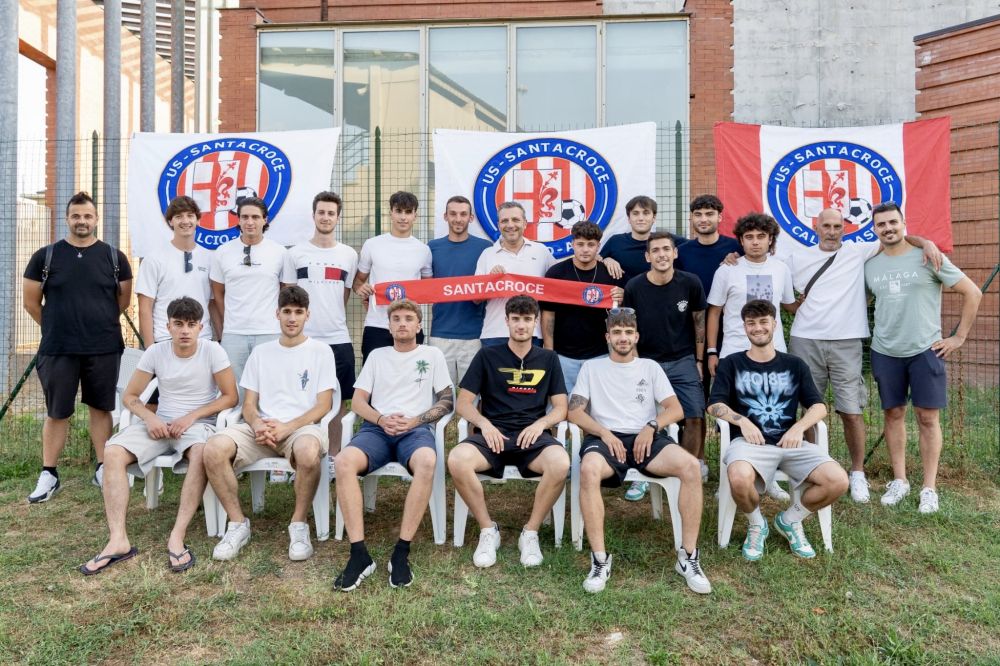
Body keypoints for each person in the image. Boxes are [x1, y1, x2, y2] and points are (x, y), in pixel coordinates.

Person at [782, 207, 941, 503]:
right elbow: (767, 269)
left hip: (847, 341)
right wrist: (732, 258)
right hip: (806, 339)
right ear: (816, 227)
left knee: (851, 411)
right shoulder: (796, 257)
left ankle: (857, 473)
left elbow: (896, 237)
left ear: (845, 229)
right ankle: (813, 469)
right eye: (826, 226)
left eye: (837, 226)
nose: (832, 232)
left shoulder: (857, 251)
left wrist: (926, 242)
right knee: (809, 410)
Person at [78, 297, 238, 574]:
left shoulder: (213, 351)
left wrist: (191, 417)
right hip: (159, 424)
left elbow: (230, 397)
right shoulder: (155, 352)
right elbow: (130, 396)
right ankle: (118, 540)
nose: (185, 331)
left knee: (201, 452)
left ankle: (177, 535)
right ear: (168, 326)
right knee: (112, 451)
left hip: (197, 425)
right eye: (179, 324)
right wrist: (150, 417)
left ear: (201, 327)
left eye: (191, 325)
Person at [568, 309, 711, 594]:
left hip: (646, 437)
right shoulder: (592, 368)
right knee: (589, 469)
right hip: (607, 438)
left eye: (628, 332)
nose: (623, 338)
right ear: (607, 337)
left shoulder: (650, 367)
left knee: (691, 467)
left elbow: (676, 409)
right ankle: (599, 560)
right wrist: (604, 432)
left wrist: (652, 425)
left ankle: (688, 557)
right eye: (617, 332)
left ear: (636, 337)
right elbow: (574, 412)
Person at [203, 286, 337, 561]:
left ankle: (298, 525)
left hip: (300, 429)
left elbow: (323, 405)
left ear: (307, 315)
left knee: (309, 453)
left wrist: (288, 427)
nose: (292, 318)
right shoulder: (261, 353)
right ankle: (237, 524)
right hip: (261, 430)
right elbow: (249, 404)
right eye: (287, 311)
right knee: (213, 448)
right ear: (277, 314)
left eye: (298, 312)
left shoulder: (321, 351)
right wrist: (256, 424)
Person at [708, 300, 848, 561]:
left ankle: (790, 519)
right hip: (749, 445)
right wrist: (742, 421)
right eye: (751, 323)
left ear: (774, 324)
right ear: (745, 327)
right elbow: (714, 405)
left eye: (763, 322)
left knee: (838, 481)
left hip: (790, 443)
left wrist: (799, 427)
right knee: (738, 478)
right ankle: (756, 524)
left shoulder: (794, 365)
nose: (757, 328)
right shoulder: (731, 363)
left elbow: (819, 407)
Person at [865, 202, 982, 513]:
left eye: (893, 222)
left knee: (928, 418)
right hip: (885, 351)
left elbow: (973, 292)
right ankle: (900, 480)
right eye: (881, 224)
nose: (888, 228)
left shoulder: (928, 256)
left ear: (904, 223)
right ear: (874, 229)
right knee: (893, 415)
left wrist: (959, 337)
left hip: (925, 351)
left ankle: (929, 488)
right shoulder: (870, 265)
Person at [333, 299, 454, 591]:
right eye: (396, 319)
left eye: (408, 318)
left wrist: (414, 421)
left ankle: (401, 552)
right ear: (388, 326)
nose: (402, 323)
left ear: (419, 325)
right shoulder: (377, 356)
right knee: (343, 461)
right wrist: (381, 418)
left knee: (427, 461)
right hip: (377, 429)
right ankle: (359, 554)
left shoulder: (432, 354)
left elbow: (447, 400)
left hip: (415, 430)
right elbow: (358, 401)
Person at [23, 191, 134, 502]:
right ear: (67, 219)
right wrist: (56, 327)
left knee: (101, 408)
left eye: (87, 216)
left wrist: (95, 323)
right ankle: (49, 474)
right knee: (57, 411)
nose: (81, 221)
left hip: (104, 346)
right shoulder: (45, 257)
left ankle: (103, 468)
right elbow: (31, 303)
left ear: (96, 219)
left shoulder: (114, 258)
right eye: (76, 216)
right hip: (58, 348)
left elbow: (122, 301)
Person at [448, 296, 569, 568]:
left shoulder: (549, 358)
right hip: (494, 435)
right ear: (506, 321)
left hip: (532, 436)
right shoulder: (487, 355)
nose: (521, 325)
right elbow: (463, 403)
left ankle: (530, 533)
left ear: (535, 322)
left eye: (527, 319)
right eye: (516, 319)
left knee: (561, 463)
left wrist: (540, 425)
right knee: (457, 460)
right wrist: (485, 424)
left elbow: (561, 408)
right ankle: (488, 529)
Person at [621, 232, 707, 468]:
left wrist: (699, 361)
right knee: (643, 417)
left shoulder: (691, 283)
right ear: (647, 256)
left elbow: (699, 322)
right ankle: (644, 468)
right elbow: (630, 329)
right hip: (648, 361)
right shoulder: (634, 287)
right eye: (656, 250)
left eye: (666, 249)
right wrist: (635, 364)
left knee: (695, 415)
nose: (662, 255)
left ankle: (690, 467)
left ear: (675, 253)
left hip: (682, 360)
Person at [285, 191, 358, 451]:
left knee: (338, 402)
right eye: (321, 212)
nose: (325, 217)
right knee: (298, 398)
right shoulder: (295, 254)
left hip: (338, 339)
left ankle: (334, 457)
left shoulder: (349, 255)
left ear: (338, 217)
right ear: (313, 215)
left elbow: (344, 295)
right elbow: (288, 297)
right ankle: (296, 454)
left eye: (331, 213)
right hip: (303, 340)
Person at [209, 196, 295, 382]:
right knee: (235, 390)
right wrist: (228, 323)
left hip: (269, 332)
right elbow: (217, 294)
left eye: (255, 217)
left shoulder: (280, 252)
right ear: (238, 220)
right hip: (233, 335)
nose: (250, 222)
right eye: (245, 217)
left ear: (265, 220)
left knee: (269, 386)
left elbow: (287, 294)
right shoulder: (222, 252)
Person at [541, 220, 625, 392]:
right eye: (580, 244)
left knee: (598, 403)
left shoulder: (610, 273)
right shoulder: (556, 273)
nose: (585, 249)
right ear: (572, 244)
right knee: (563, 402)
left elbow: (621, 315)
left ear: (598, 246)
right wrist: (549, 351)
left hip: (600, 355)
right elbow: (548, 315)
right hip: (563, 355)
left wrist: (623, 297)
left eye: (590, 244)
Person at [353, 191, 433, 362]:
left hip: (410, 326)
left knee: (410, 376)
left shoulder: (423, 250)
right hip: (377, 325)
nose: (403, 217)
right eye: (398, 211)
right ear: (391, 213)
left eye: (408, 212)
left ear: (415, 215)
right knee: (374, 376)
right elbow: (358, 281)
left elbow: (428, 289)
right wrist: (361, 289)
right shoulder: (372, 244)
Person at [427, 195, 493, 386]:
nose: (458, 219)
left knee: (472, 393)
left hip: (474, 335)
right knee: (441, 392)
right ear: (445, 216)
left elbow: (489, 287)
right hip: (440, 333)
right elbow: (424, 286)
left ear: (471, 218)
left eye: (463, 214)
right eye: (453, 214)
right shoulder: (432, 247)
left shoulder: (485, 248)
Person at [136, 195, 217, 349]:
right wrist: (150, 348)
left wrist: (220, 339)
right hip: (165, 340)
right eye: (179, 216)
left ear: (198, 220)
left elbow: (213, 303)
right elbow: (145, 307)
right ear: (170, 222)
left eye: (190, 215)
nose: (185, 221)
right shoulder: (154, 259)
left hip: (202, 339)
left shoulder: (210, 258)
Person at [475, 202, 555, 345]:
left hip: (532, 333)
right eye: (505, 221)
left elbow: (560, 284)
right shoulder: (487, 254)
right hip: (495, 334)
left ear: (525, 223)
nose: (510, 225)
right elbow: (475, 299)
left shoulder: (541, 251)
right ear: (499, 225)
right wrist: (490, 281)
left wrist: (596, 260)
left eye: (515, 220)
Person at [601, 195, 687, 283]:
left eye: (646, 213)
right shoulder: (615, 242)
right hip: (625, 292)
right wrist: (606, 260)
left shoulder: (668, 241)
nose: (641, 218)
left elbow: (694, 247)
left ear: (654, 218)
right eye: (635, 213)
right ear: (629, 218)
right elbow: (595, 261)